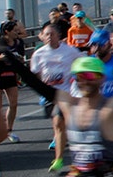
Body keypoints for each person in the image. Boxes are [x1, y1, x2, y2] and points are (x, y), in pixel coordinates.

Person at [30, 21, 83, 164]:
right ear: (42, 36)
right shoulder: (38, 54)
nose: (49, 37)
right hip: (48, 95)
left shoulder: (69, 51)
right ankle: (68, 144)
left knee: (58, 122)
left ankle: (58, 159)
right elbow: (34, 74)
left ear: (58, 35)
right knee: (57, 126)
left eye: (52, 34)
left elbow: (82, 63)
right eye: (46, 34)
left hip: (65, 94)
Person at [0, 20, 25, 143]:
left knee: (13, 104)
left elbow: (21, 58)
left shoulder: (19, 43)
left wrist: (19, 60)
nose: (17, 32)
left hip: (11, 75)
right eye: (14, 30)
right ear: (7, 32)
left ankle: (9, 130)